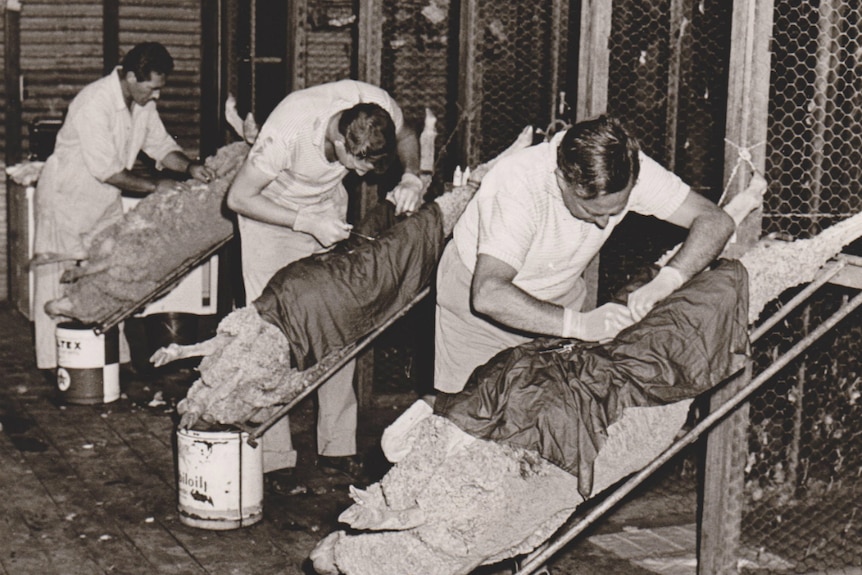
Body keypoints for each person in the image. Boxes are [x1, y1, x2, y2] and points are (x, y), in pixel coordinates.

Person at [433, 114, 736, 394]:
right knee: (471, 417)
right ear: (562, 180)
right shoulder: (519, 183)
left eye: (615, 211)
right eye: (592, 212)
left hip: (559, 296)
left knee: (553, 416)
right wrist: (580, 326)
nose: (604, 223)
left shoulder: (629, 168)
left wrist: (668, 279)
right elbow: (489, 294)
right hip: (478, 308)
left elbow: (716, 221)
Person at [225, 79, 422, 483]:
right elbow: (239, 198)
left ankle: (337, 447)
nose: (366, 176)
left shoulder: (373, 104)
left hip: (325, 208)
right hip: (272, 214)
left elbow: (407, 134)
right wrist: (305, 222)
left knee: (338, 321)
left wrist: (413, 176)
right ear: (339, 140)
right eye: (360, 165)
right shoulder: (288, 131)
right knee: (274, 333)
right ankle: (276, 456)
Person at [33, 42, 215, 372]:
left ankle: (110, 358)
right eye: (152, 87)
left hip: (104, 200)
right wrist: (156, 186)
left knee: (111, 271)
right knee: (58, 279)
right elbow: (108, 171)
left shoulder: (141, 103)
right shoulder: (94, 102)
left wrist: (189, 168)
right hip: (67, 199)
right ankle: (57, 364)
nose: (156, 95)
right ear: (131, 77)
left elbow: (160, 146)